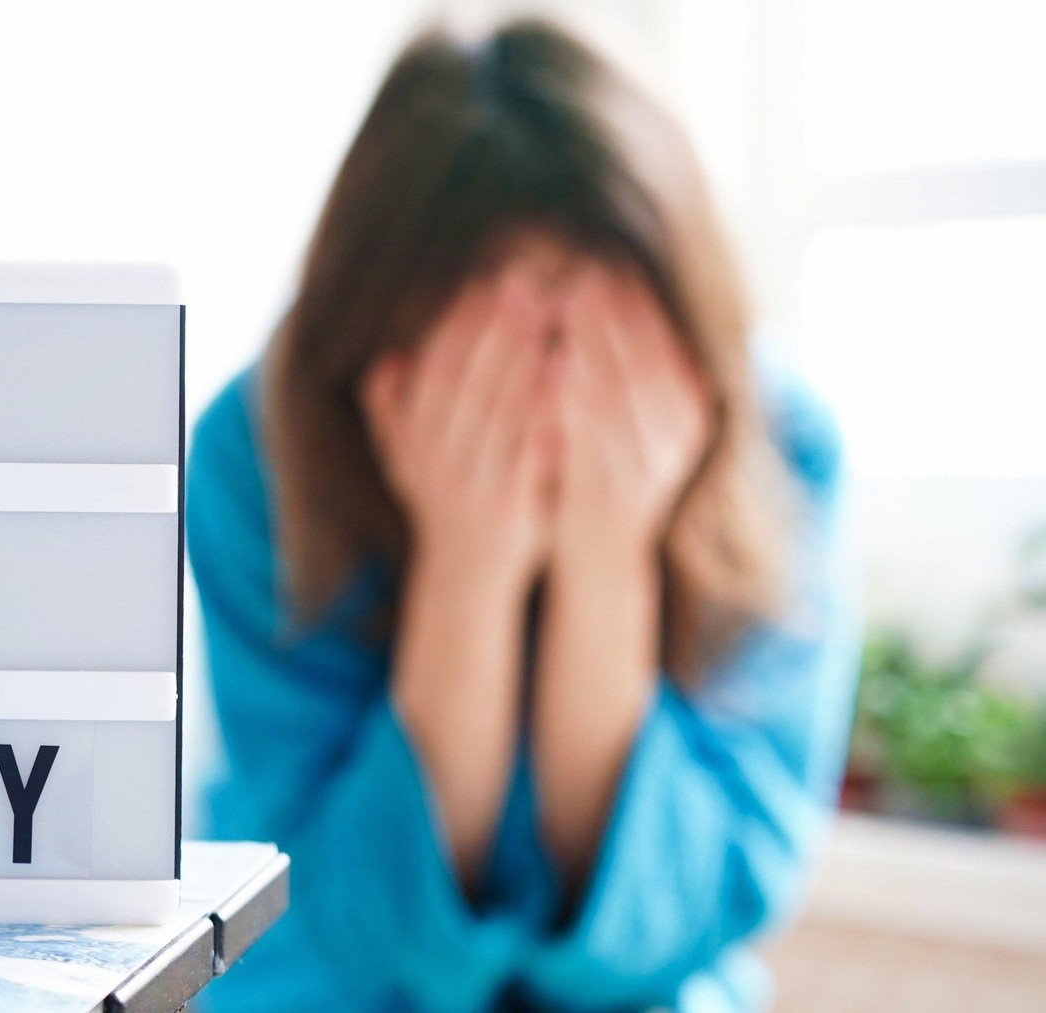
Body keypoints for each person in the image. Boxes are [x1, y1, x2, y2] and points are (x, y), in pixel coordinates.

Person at [188, 18, 861, 1012]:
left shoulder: (780, 447)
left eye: (601, 347)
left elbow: (697, 912)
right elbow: (333, 917)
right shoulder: (258, 447)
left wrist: (608, 561)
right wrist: (467, 567)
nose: (550, 389)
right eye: (489, 354)